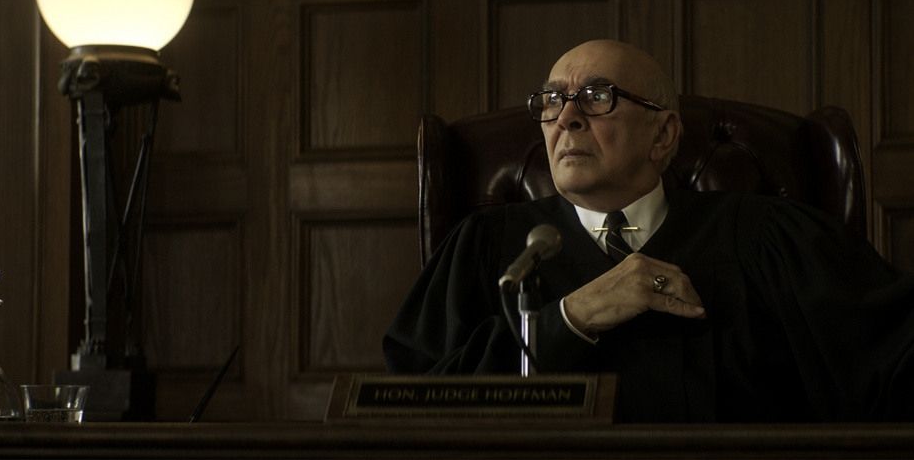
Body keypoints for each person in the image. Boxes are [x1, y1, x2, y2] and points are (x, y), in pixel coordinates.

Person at [383, 39, 914, 423]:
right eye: (552, 100)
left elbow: (891, 358)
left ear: (663, 134)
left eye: (597, 96)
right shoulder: (486, 247)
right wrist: (571, 317)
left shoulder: (767, 238)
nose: (566, 118)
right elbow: (412, 410)